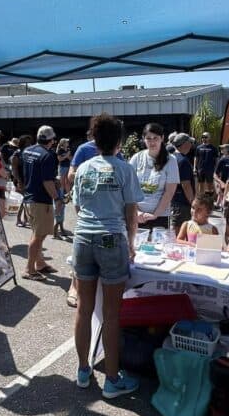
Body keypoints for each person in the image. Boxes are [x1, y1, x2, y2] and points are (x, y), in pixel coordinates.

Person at [71, 113, 143, 398]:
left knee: (83, 309)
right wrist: (132, 243)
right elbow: (131, 214)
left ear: (94, 139)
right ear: (120, 141)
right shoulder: (124, 169)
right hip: (112, 239)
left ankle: (82, 370)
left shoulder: (84, 168)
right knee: (112, 314)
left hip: (82, 237)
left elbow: (78, 208)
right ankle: (112, 379)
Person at [21, 126, 62, 281]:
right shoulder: (48, 155)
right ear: (51, 140)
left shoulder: (27, 151)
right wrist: (57, 198)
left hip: (29, 197)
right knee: (39, 236)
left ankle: (40, 264)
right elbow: (46, 181)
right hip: (40, 200)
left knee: (36, 233)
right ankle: (29, 269)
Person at [129, 123, 180, 234]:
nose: (152, 142)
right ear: (143, 139)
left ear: (162, 138)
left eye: (155, 138)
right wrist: (136, 212)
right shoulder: (136, 158)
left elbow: (169, 192)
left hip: (160, 216)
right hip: (138, 216)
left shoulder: (171, 160)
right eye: (148, 138)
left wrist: (155, 214)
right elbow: (128, 189)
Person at [170, 133, 196, 233]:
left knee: (176, 231)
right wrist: (193, 202)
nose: (191, 145)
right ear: (184, 144)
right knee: (180, 232)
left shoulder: (172, 158)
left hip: (174, 200)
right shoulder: (183, 161)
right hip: (182, 203)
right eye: (190, 142)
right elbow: (186, 185)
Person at [11, 134, 34, 227]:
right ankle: (18, 219)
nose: (29, 144)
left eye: (30, 142)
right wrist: (19, 181)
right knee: (20, 201)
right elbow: (14, 170)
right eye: (27, 142)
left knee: (27, 200)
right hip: (20, 180)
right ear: (22, 143)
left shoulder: (30, 153)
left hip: (28, 180)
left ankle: (26, 219)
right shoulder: (17, 154)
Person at [194, 132, 217, 197]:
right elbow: (196, 158)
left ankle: (210, 199)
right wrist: (194, 168)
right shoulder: (198, 147)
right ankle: (201, 198)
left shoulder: (213, 148)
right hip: (200, 169)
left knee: (210, 184)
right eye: (203, 137)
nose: (204, 138)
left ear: (209, 138)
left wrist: (216, 169)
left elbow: (216, 159)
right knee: (201, 184)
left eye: (205, 137)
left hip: (210, 169)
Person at [214, 144, 229, 208]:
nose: (221, 149)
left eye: (223, 148)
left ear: (228, 149)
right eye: (221, 148)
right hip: (222, 179)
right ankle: (219, 204)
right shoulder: (222, 158)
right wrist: (218, 181)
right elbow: (217, 171)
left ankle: (219, 204)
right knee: (221, 192)